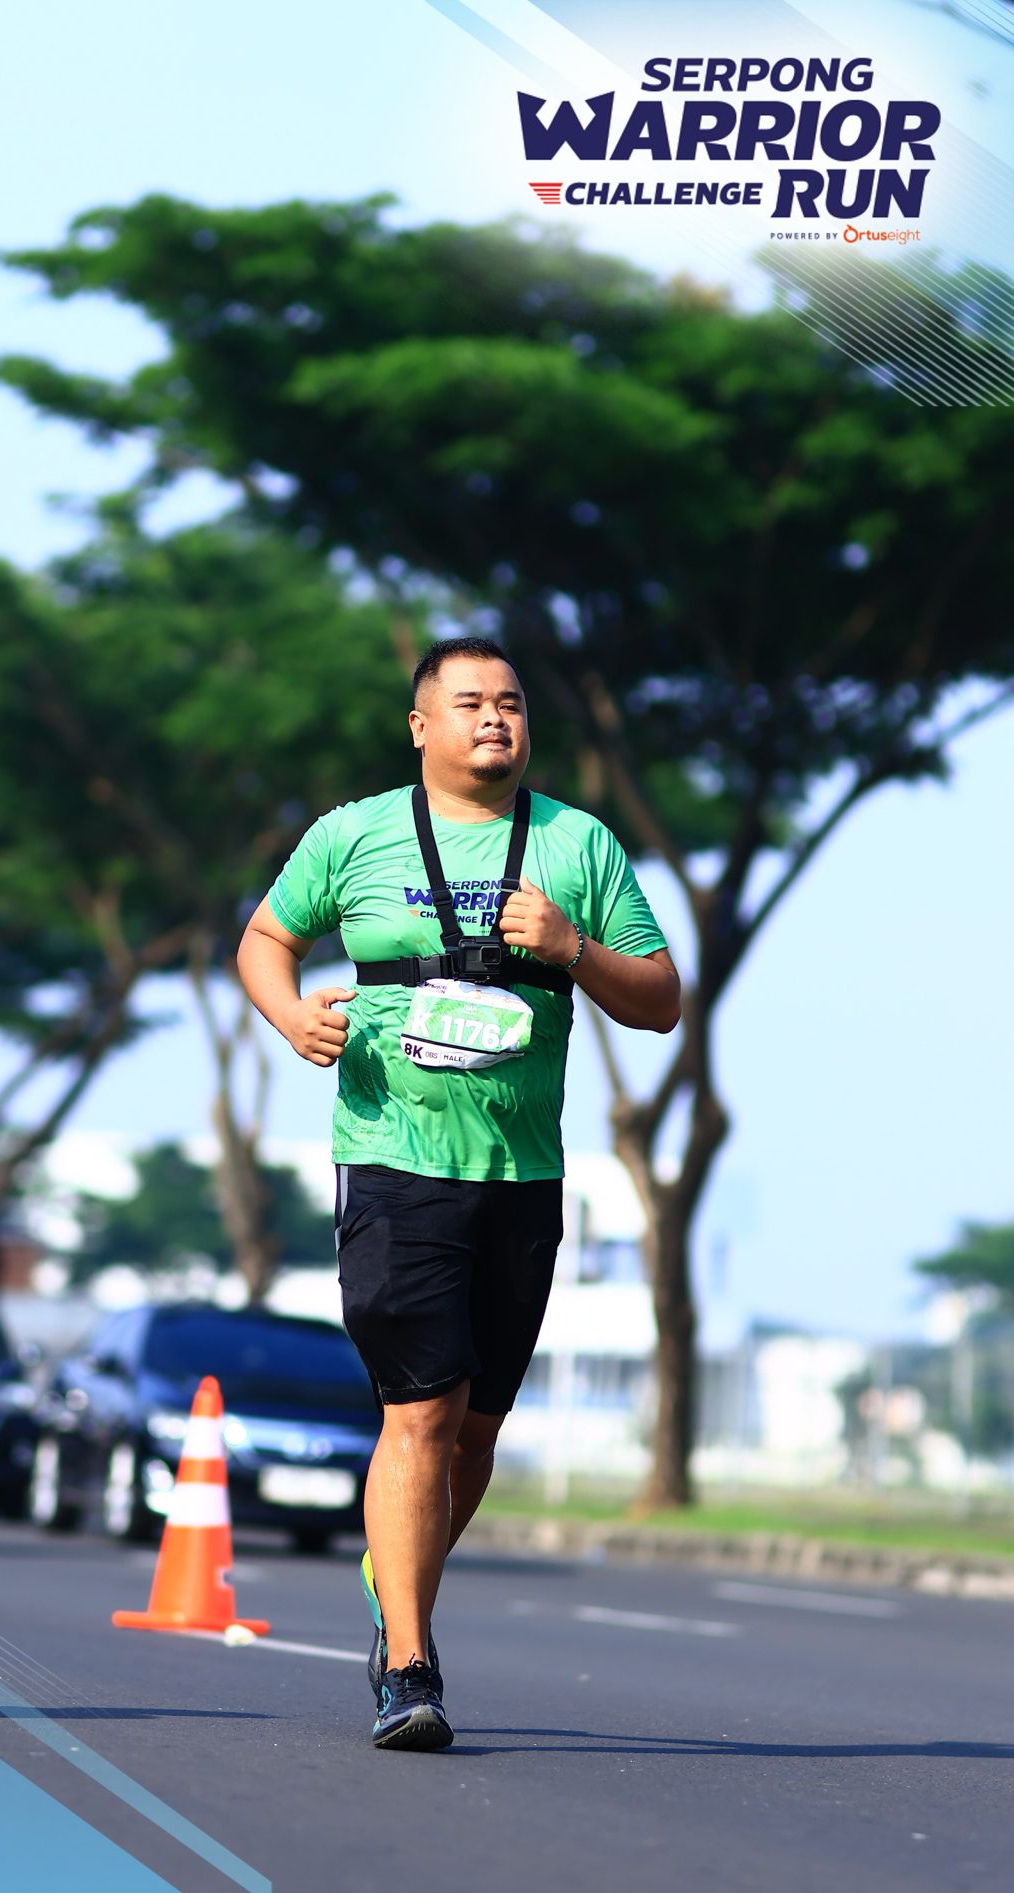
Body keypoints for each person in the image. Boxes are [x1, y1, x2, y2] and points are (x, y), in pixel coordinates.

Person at [238, 637, 679, 1752]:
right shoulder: (351, 834)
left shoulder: (577, 843)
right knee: (422, 1410)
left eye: (512, 704)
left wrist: (571, 947)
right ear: (420, 725)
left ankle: (391, 1577)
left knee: (476, 1429)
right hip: (392, 1159)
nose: (495, 720)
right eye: (471, 702)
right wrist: (291, 1016)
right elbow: (266, 939)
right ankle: (408, 1665)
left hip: (521, 1173)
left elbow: (659, 998)